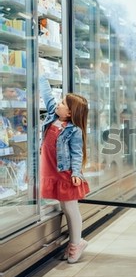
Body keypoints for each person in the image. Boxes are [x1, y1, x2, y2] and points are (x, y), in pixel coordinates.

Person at [39, 74, 90, 263]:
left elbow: (77, 154)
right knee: (64, 207)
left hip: (65, 173)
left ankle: (76, 243)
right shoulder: (54, 115)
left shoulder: (73, 130)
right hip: (50, 170)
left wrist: (76, 173)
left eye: (62, 103)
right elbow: (47, 95)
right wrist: (42, 75)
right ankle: (75, 242)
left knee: (71, 208)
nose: (58, 104)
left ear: (69, 113)